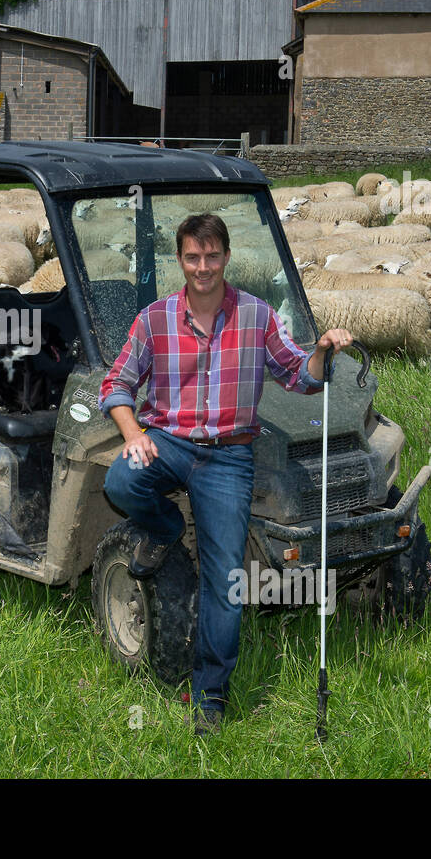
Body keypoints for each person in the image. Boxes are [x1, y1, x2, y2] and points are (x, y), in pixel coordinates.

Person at [98, 212, 352, 734]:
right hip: (167, 441)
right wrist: (134, 435)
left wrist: (322, 353)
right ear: (181, 260)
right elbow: (116, 385)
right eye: (193, 256)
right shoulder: (155, 319)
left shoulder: (257, 317)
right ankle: (166, 526)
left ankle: (210, 695)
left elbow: (299, 377)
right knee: (120, 480)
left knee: (225, 582)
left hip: (230, 457)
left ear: (227, 258)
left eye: (212, 256)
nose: (203, 267)